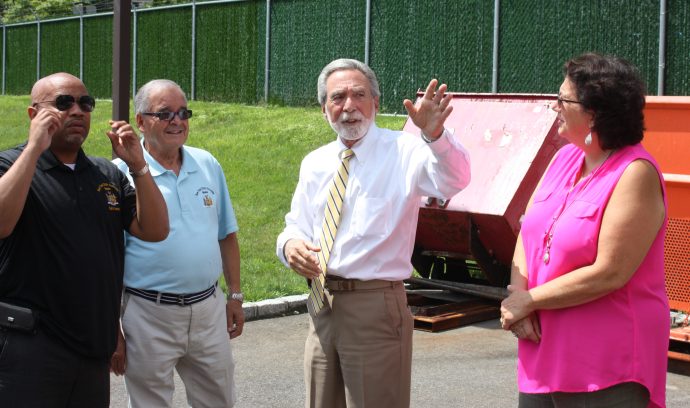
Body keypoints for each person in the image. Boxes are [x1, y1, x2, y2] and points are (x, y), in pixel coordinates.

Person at [276, 58, 471, 408]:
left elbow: (454, 180)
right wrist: (289, 245)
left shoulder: (405, 151)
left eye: (359, 95)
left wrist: (435, 136)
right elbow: (296, 224)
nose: (349, 106)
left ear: (376, 104)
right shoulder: (315, 163)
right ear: (324, 110)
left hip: (375, 306)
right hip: (322, 306)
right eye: (338, 98)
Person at [500, 53, 668, 407]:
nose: (554, 106)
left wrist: (528, 301)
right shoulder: (564, 157)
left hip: (604, 361)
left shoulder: (635, 172)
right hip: (542, 350)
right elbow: (528, 230)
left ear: (593, 113)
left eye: (563, 99)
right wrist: (518, 298)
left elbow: (610, 272)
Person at [0, 73, 169, 407]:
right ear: (34, 115)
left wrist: (139, 167)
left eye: (85, 103)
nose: (77, 111)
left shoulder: (106, 174)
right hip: (30, 348)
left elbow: (155, 230)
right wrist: (35, 148)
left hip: (91, 348)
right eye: (64, 103)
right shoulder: (10, 164)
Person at [109, 79, 243, 408]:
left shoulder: (207, 164)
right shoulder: (117, 174)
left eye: (183, 113)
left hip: (208, 310)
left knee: (219, 401)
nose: (177, 121)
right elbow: (105, 260)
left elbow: (226, 234)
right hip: (147, 314)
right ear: (140, 121)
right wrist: (113, 329)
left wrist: (236, 295)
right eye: (165, 113)